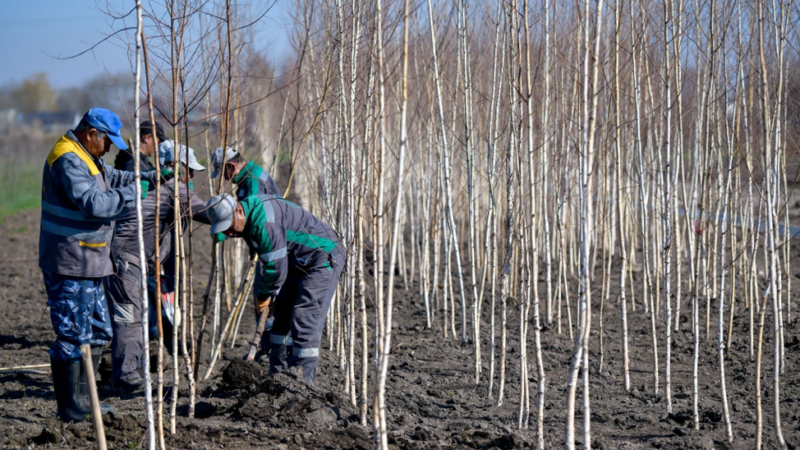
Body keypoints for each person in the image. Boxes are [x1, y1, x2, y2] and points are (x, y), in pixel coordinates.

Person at [40, 108, 164, 422]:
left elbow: (114, 177)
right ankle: (71, 409)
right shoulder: (67, 158)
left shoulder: (88, 156)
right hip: (70, 261)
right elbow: (94, 203)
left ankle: (87, 399)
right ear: (91, 133)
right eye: (107, 141)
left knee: (96, 329)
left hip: (91, 261)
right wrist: (134, 193)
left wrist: (148, 177)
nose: (110, 148)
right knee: (71, 335)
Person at [205, 193, 344, 384]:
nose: (228, 233)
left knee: (304, 319)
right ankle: (277, 378)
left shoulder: (264, 223)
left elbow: (276, 269)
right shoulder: (249, 216)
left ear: (238, 211)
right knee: (281, 318)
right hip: (296, 260)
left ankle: (301, 387)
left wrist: (263, 296)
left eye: (228, 226)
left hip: (322, 255)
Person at [104, 144, 209, 391]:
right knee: (130, 318)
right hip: (127, 260)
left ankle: (131, 371)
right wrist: (238, 213)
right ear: (175, 166)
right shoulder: (174, 188)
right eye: (189, 170)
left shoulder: (154, 182)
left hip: (124, 259)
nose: (192, 176)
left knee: (134, 316)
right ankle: (128, 377)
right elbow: (207, 212)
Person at [210, 147, 281, 200]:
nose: (225, 177)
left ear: (231, 166)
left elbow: (251, 215)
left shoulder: (252, 180)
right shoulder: (250, 174)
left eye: (223, 172)